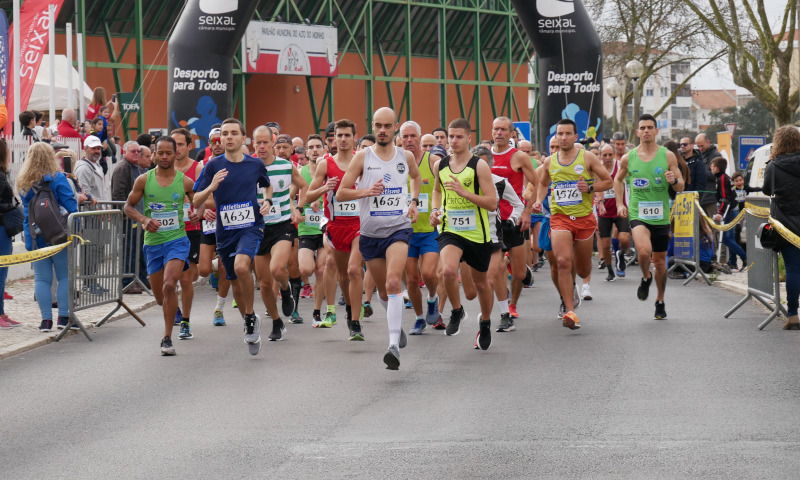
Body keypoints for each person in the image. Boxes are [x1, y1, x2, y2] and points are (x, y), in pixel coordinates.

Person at [337, 107, 421, 369]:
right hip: (371, 234)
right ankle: (395, 323)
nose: (382, 130)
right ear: (372, 127)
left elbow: (416, 178)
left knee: (395, 281)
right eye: (378, 126)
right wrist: (365, 192)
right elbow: (341, 193)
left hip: (398, 228)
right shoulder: (363, 157)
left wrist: (414, 201)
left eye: (387, 126)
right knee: (384, 291)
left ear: (395, 127)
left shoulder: (405, 156)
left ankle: (393, 345)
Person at [192, 118, 272, 355]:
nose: (228, 137)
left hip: (251, 225)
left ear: (242, 138)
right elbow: (195, 200)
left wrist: (267, 200)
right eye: (224, 134)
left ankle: (249, 316)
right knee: (234, 279)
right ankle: (249, 318)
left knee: (241, 267)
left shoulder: (254, 164)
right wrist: (211, 187)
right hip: (225, 231)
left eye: (233, 133)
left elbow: (267, 186)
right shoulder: (212, 166)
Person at [124, 136, 201, 355]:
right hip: (153, 244)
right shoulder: (143, 180)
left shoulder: (184, 181)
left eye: (169, 153)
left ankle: (167, 338)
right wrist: (144, 220)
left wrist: (198, 213)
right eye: (161, 153)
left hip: (177, 240)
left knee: (170, 285)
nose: (165, 157)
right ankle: (169, 310)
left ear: (175, 153)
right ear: (155, 153)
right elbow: (128, 207)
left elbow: (201, 200)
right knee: (160, 297)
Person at [533, 119, 612, 330]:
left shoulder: (586, 157)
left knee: (583, 268)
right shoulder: (549, 162)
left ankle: (577, 286)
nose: (564, 137)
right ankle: (570, 311)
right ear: (556, 136)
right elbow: (542, 182)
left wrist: (590, 187)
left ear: (576, 137)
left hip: (584, 219)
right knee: (562, 262)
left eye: (568, 134)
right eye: (560, 134)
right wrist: (539, 200)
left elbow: (608, 181)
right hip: (560, 219)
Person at [430, 118, 497, 349]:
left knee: (481, 285)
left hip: (477, 234)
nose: (454, 141)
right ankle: (457, 312)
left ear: (469, 138)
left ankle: (486, 322)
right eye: (451, 136)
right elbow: (437, 191)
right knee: (447, 271)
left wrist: (464, 192)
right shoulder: (441, 165)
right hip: (451, 229)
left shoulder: (479, 166)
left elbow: (491, 203)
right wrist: (435, 210)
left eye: (459, 136)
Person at [615, 114, 684, 320]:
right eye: (642, 127)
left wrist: (673, 180)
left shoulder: (668, 156)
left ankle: (660, 300)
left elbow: (681, 185)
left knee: (660, 263)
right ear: (637, 132)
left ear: (656, 131)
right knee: (644, 253)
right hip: (638, 214)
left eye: (650, 127)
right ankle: (646, 276)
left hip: (661, 216)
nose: (646, 131)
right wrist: (620, 203)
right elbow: (617, 181)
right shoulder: (629, 158)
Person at [16, 143, 79, 331]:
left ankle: (45, 321)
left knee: (41, 279)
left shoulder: (24, 182)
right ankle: (64, 317)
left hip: (35, 236)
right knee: (63, 276)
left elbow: (26, 212)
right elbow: (71, 208)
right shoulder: (58, 178)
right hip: (59, 235)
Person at [398, 120, 442, 335]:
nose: (408, 141)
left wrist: (438, 211)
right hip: (405, 232)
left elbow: (442, 191)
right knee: (412, 279)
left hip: (429, 231)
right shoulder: (395, 162)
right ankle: (418, 318)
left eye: (412, 136)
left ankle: (433, 298)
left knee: (428, 273)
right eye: (404, 137)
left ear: (420, 137)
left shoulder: (433, 161)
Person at [761, 125, 800, 330]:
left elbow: (767, 189)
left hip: (786, 225)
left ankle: (793, 314)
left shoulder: (774, 166)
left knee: (794, 269)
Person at [111, 141, 147, 293]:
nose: (136, 153)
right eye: (133, 151)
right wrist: (124, 214)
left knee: (138, 250)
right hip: (128, 217)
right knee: (129, 251)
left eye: (138, 151)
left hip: (137, 216)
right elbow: (118, 193)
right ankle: (127, 282)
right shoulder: (123, 168)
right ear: (125, 152)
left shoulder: (137, 167)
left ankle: (141, 279)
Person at [711, 156, 747, 271]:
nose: (710, 168)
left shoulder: (722, 178)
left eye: (712, 166)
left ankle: (745, 258)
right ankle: (733, 263)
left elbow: (724, 198)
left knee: (726, 239)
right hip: (732, 210)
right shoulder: (725, 177)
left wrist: (720, 213)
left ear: (716, 168)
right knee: (731, 238)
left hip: (729, 211)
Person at [0, 139, 20, 329]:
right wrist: (11, 208)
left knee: (3, 272)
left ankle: (2, 312)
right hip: (1, 227)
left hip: (4, 229)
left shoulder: (3, 174)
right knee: (0, 272)